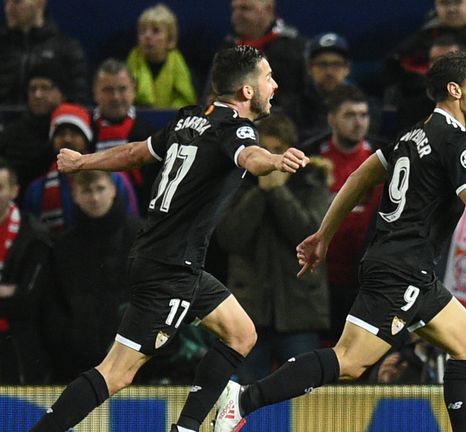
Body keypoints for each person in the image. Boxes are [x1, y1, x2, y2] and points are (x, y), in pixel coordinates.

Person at [213, 50, 466, 432]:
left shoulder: (414, 133)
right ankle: (242, 399)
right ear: (454, 90)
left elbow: (359, 177)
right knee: (350, 361)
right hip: (402, 270)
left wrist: (322, 235)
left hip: (411, 269)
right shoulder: (458, 142)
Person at [29, 45, 310, 432]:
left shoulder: (189, 120)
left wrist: (83, 161)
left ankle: (188, 427)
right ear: (247, 91)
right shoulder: (237, 128)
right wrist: (275, 160)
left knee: (241, 333)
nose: (275, 86)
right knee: (117, 373)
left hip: (175, 262)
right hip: (170, 269)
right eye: (268, 78)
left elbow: (136, 153)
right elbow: (248, 156)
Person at [215, 113, 331, 381]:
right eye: (265, 150)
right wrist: (260, 192)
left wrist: (278, 193)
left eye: (279, 150)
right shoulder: (237, 183)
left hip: (300, 310)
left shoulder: (312, 181)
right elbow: (229, 237)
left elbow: (309, 235)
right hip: (250, 311)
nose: (272, 158)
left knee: (302, 396)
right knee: (243, 393)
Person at [300, 84, 383, 338]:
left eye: (363, 115)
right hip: (319, 278)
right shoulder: (309, 159)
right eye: (349, 115)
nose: (358, 123)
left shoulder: (384, 159)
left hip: (366, 279)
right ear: (331, 119)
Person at [45, 170, 140, 383]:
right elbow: (54, 302)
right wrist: (67, 339)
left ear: (113, 190)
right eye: (87, 191)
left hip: (136, 357)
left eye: (100, 189)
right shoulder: (64, 246)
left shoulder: (141, 235)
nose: (95, 198)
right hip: (79, 361)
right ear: (75, 195)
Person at [21, 102, 138, 233]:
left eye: (75, 133)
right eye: (60, 134)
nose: (67, 139)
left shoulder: (115, 177)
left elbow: (131, 221)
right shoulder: (37, 190)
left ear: (86, 139)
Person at [0, 159, 52, 384]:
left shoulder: (34, 237)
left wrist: (17, 294)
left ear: (14, 191)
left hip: (16, 347)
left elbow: (27, 303)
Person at [208, 0, 307, 113]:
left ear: (268, 10)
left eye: (245, 9)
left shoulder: (295, 49)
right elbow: (209, 95)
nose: (236, 16)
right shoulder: (227, 49)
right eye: (234, 9)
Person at [91, 58, 159, 214]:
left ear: (133, 90)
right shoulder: (84, 135)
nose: (115, 97)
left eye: (122, 89)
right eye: (108, 90)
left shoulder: (152, 136)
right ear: (94, 92)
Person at [0, 0, 88, 104]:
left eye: (17, 2)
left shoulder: (67, 49)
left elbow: (78, 99)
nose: (8, 9)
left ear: (40, 2)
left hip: (52, 119)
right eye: (6, 3)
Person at [0, 61, 67, 195]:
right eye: (32, 89)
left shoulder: (74, 131)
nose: (38, 95)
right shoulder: (11, 134)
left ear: (61, 93)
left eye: (45, 88)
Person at [127, 3, 197, 108]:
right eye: (142, 31)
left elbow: (186, 101)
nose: (147, 36)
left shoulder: (178, 64)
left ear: (170, 40)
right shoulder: (131, 63)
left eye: (156, 31)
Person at [293, 32, 353, 142]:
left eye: (336, 64)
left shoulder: (365, 107)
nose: (329, 72)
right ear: (309, 69)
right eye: (322, 64)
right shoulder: (294, 109)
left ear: (347, 68)